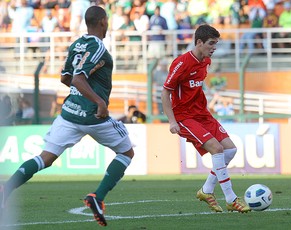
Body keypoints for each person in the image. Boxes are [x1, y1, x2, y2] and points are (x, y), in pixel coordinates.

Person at [0, 6, 135, 227]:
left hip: (69, 114)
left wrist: (81, 90)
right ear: (102, 22)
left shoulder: (76, 44)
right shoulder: (98, 46)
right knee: (127, 152)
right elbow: (77, 80)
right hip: (93, 115)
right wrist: (99, 101)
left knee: (46, 157)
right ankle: (97, 197)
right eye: (107, 20)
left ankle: (7, 188)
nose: (108, 24)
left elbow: (65, 77)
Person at [161, 24, 250, 213]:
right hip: (185, 117)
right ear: (199, 42)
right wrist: (172, 121)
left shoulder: (206, 62)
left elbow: (195, 87)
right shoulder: (181, 63)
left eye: (216, 43)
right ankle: (231, 198)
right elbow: (165, 92)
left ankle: (207, 190)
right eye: (211, 43)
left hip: (202, 114)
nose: (214, 47)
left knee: (231, 150)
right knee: (217, 149)